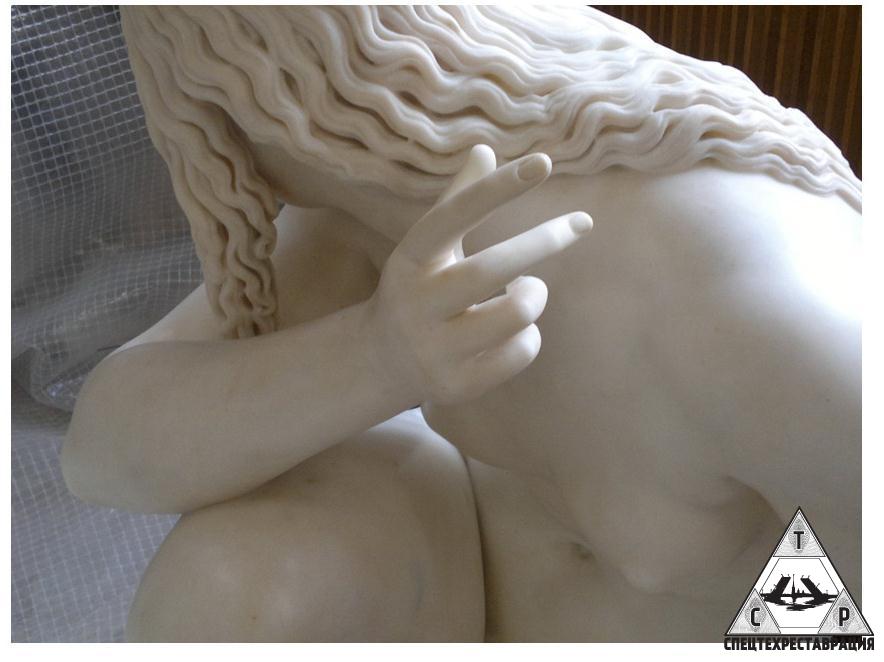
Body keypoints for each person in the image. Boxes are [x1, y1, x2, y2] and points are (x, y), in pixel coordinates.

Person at [61, 6, 862, 641]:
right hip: (474, 587)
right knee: (232, 586)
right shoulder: (369, 219)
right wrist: (376, 356)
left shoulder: (740, 294)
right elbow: (100, 457)